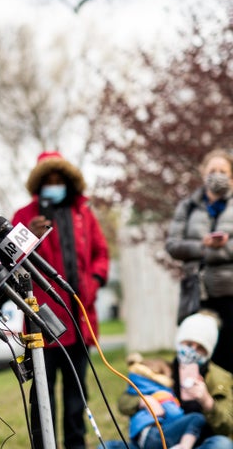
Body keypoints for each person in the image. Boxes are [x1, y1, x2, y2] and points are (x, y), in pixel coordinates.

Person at [11, 151, 110, 449]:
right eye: (48, 180)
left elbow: (101, 255)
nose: (54, 185)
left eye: (59, 179)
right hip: (41, 321)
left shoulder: (84, 214)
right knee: (43, 392)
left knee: (76, 392)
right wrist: (30, 235)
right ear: (39, 183)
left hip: (79, 319)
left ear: (68, 181)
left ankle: (76, 444)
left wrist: (93, 282)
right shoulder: (25, 215)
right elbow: (8, 261)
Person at [116, 311, 233, 449]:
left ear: (209, 352)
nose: (192, 350)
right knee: (107, 446)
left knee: (222, 445)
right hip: (164, 438)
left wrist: (207, 402)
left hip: (200, 442)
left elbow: (227, 427)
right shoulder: (161, 369)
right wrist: (143, 401)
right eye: (188, 343)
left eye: (201, 347)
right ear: (179, 342)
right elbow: (123, 402)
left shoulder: (220, 379)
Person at [165, 148, 233, 374]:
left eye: (223, 171)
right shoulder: (188, 206)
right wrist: (203, 246)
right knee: (194, 358)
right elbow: (173, 245)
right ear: (203, 174)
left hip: (229, 294)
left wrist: (217, 249)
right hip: (196, 294)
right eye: (212, 170)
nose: (217, 175)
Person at [123, 352, 206, 449]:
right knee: (197, 418)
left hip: (139, 438)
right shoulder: (161, 394)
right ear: (162, 376)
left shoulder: (140, 391)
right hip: (154, 435)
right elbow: (174, 414)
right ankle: (183, 446)